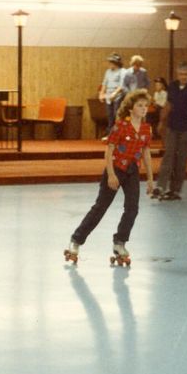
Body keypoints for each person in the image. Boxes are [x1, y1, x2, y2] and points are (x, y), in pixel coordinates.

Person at [64, 89, 155, 266]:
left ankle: (120, 243)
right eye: (139, 105)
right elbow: (109, 150)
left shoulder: (146, 128)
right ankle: (76, 241)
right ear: (131, 109)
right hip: (115, 169)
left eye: (146, 106)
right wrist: (111, 175)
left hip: (132, 171)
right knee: (100, 208)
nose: (144, 108)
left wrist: (150, 178)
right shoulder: (120, 126)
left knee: (132, 208)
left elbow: (146, 152)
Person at [153, 62, 187, 201]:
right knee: (168, 156)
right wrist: (161, 121)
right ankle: (160, 187)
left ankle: (175, 190)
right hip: (172, 127)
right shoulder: (172, 86)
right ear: (178, 74)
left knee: (181, 159)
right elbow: (168, 105)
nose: (184, 77)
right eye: (181, 74)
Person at [98, 52, 126, 138]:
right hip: (108, 96)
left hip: (118, 96)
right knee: (110, 115)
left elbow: (122, 85)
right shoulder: (108, 71)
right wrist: (101, 94)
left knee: (116, 115)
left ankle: (119, 133)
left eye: (111, 62)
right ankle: (110, 133)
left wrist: (115, 93)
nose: (109, 64)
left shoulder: (123, 71)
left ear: (116, 63)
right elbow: (104, 83)